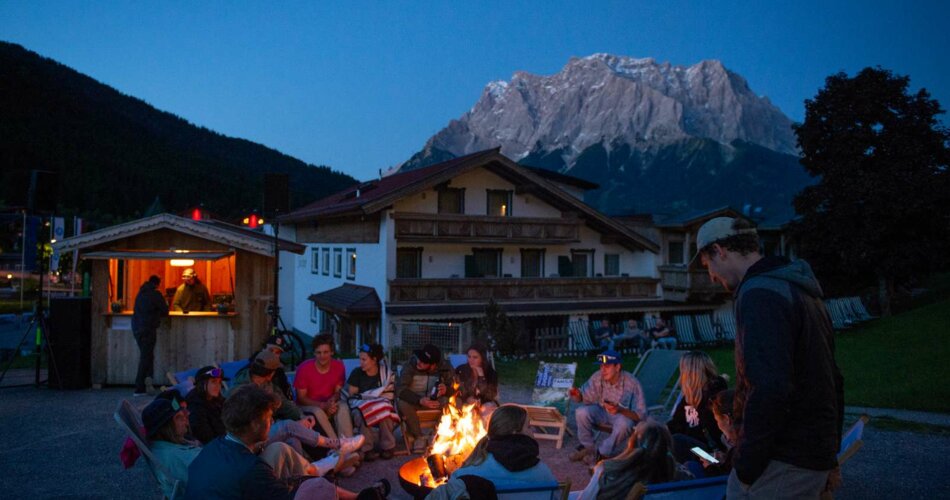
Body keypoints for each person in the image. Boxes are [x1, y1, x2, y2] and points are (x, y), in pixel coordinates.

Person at [694, 216, 844, 499]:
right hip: (812, 452)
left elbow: (769, 388)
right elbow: (833, 378)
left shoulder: (759, 294)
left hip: (785, 458)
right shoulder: (801, 291)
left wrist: (745, 466)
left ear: (719, 251)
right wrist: (830, 453)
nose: (712, 275)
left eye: (707, 265)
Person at [184, 384, 387, 500]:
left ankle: (352, 492)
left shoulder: (215, 447)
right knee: (318, 489)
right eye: (269, 417)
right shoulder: (252, 470)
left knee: (282, 450)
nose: (272, 421)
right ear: (254, 424)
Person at [569, 420, 691, 500]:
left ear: (631, 443)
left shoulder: (607, 470)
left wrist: (596, 471)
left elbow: (586, 498)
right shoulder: (682, 476)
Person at [568, 349, 648, 463]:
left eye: (607, 366)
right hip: (602, 412)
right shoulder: (597, 377)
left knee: (625, 424)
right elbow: (583, 397)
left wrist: (620, 409)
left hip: (622, 416)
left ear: (617, 367)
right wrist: (576, 395)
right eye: (601, 366)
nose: (603, 370)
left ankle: (602, 453)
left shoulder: (632, 383)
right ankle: (588, 448)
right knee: (581, 412)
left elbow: (641, 416)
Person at [450, 405, 557, 486]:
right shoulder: (543, 474)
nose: (533, 430)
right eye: (528, 426)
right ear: (515, 432)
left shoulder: (464, 476)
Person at [667, 351, 729, 463]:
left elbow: (714, 434)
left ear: (690, 373)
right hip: (696, 450)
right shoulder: (690, 397)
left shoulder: (715, 398)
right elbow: (677, 423)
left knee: (677, 441)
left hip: (712, 455)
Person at [397, 344, 456, 453]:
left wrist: (447, 390)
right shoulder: (410, 366)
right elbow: (400, 389)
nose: (419, 362)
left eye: (424, 362)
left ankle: (435, 435)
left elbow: (456, 388)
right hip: (414, 400)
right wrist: (420, 400)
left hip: (434, 400)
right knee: (402, 403)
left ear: (433, 365)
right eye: (420, 358)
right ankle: (419, 437)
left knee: (452, 403)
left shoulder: (445, 368)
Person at [344, 343, 399, 461]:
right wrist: (369, 401)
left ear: (374, 360)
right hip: (360, 406)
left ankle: (387, 447)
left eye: (364, 359)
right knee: (363, 412)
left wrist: (376, 402)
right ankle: (367, 449)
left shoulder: (385, 374)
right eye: (360, 359)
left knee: (385, 410)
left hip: (381, 405)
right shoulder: (357, 373)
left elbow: (388, 395)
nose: (361, 362)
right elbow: (353, 397)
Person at [294, 334, 354, 440]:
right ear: (314, 353)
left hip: (328, 403)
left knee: (343, 407)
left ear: (332, 352)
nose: (322, 356)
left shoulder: (339, 366)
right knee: (318, 412)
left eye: (326, 352)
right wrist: (322, 405)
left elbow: (337, 392)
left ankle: (348, 444)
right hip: (308, 406)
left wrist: (331, 402)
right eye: (318, 352)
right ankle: (336, 446)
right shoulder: (304, 369)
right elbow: (301, 398)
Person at [142, 393, 201, 498]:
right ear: (166, 426)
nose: (186, 421)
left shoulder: (164, 446)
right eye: (179, 417)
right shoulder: (174, 458)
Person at [131, 275, 168, 396]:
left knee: (146, 355)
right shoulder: (155, 295)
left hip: (137, 328)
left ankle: (148, 382)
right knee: (146, 357)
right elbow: (165, 311)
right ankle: (139, 387)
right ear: (157, 284)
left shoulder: (140, 293)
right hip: (148, 328)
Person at [455, 343, 499, 419]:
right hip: (465, 401)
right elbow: (457, 390)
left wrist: (481, 376)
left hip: (485, 403)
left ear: (482, 358)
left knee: (487, 409)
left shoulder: (491, 373)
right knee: (467, 410)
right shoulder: (461, 370)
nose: (471, 360)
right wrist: (467, 398)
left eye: (475, 357)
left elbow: (491, 395)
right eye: (469, 357)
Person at [186, 365, 228, 444]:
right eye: (213, 382)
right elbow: (205, 437)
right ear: (202, 384)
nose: (218, 386)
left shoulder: (218, 401)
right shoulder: (195, 406)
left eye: (219, 382)